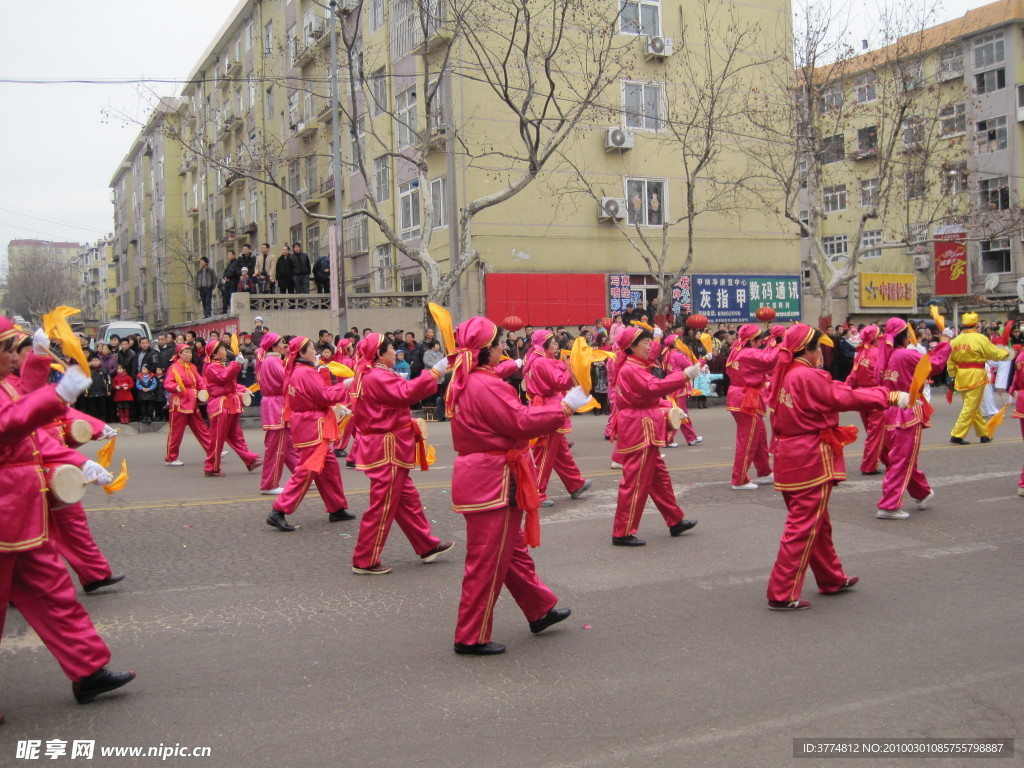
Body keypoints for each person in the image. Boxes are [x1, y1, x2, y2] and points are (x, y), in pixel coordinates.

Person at [0, 318, 135, 710]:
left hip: (22, 511)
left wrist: (41, 360)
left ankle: (87, 671)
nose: (13, 355)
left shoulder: (7, 383)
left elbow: (30, 421)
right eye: (9, 348)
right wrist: (58, 393)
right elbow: (12, 422)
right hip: (10, 509)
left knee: (54, 591)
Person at [445, 317, 582, 655]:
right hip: (493, 479)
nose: (503, 348)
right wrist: (564, 407)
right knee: (487, 560)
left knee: (512, 552)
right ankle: (470, 635)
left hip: (484, 476)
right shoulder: (485, 385)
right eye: (498, 344)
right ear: (487, 351)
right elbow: (519, 423)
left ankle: (539, 610)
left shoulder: (472, 380)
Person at [765, 324, 902, 610]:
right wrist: (886, 396)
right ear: (809, 349)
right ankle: (781, 592)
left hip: (788, 454)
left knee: (817, 523)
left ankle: (831, 578)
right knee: (802, 526)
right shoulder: (806, 374)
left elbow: (834, 390)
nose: (822, 353)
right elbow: (841, 397)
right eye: (819, 348)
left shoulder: (786, 374)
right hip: (809, 456)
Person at [13, 329, 124, 595]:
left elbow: (63, 410)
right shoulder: (8, 389)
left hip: (50, 462)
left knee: (72, 520)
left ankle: (94, 573)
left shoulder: (20, 385)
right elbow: (30, 432)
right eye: (24, 351)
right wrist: (80, 461)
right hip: (24, 471)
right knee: (23, 537)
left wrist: (97, 428)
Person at [348, 333, 453, 574]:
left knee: (407, 500)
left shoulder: (368, 373)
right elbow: (406, 392)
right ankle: (364, 559)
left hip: (386, 445)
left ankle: (426, 545)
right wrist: (434, 373)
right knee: (382, 505)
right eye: (391, 348)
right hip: (388, 447)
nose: (395, 351)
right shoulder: (376, 375)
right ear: (379, 354)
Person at [609, 327, 699, 546]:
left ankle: (675, 520)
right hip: (639, 428)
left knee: (659, 479)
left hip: (643, 427)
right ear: (632, 346)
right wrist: (684, 375)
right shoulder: (631, 369)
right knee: (635, 481)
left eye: (650, 341)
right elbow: (652, 388)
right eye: (646, 342)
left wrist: (668, 405)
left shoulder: (635, 366)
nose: (650, 346)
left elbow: (646, 396)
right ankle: (622, 531)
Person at [266, 336, 353, 531]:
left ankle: (336, 507)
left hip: (310, 424)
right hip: (313, 426)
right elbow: (324, 396)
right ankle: (279, 510)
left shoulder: (298, 372)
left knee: (329, 467)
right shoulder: (305, 373)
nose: (316, 352)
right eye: (312, 349)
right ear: (302, 353)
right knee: (306, 470)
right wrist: (345, 385)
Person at [875, 318, 941, 520]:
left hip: (889, 411)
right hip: (907, 411)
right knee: (902, 460)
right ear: (904, 336)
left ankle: (921, 492)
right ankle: (889, 505)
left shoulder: (884, 355)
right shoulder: (905, 354)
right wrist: (945, 342)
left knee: (901, 458)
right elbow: (934, 365)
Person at [523, 329, 591, 507]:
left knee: (560, 450)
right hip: (548, 408)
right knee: (544, 453)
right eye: (552, 342)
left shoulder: (536, 359)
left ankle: (575, 483)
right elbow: (560, 381)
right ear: (545, 344)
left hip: (546, 406)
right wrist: (576, 367)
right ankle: (537, 492)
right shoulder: (542, 362)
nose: (556, 344)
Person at [726, 324, 778, 490]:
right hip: (746, 397)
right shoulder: (749, 352)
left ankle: (764, 472)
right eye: (758, 340)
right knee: (747, 440)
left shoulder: (737, 350)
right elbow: (770, 360)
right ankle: (739, 479)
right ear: (753, 340)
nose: (760, 343)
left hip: (739, 395)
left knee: (759, 436)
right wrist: (782, 344)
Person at [202, 339, 261, 477]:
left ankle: (249, 459)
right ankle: (211, 467)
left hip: (229, 403)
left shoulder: (221, 364)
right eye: (222, 349)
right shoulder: (212, 367)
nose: (225, 351)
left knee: (236, 435)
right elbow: (224, 378)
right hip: (220, 405)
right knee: (217, 438)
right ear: (215, 353)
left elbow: (230, 384)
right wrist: (236, 364)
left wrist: (244, 389)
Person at [948, 312, 1009, 444]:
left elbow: (950, 362)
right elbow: (994, 353)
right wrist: (1005, 352)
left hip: (961, 374)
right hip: (976, 374)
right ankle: (957, 434)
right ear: (976, 324)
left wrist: (953, 375)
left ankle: (984, 434)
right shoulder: (980, 338)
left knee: (972, 406)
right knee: (970, 407)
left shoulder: (956, 340)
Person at [255, 333, 298, 495]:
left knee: (287, 445)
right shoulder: (273, 361)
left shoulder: (270, 361)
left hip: (276, 404)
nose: (284, 345)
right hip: (277, 406)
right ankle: (269, 484)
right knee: (277, 447)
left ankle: (301, 474)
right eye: (281, 343)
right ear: (273, 347)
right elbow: (287, 380)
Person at [163, 344, 214, 469]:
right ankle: (171, 457)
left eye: (190, 352)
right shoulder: (174, 367)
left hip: (193, 401)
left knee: (201, 427)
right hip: (179, 402)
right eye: (186, 352)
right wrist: (176, 387)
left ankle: (212, 450)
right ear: (179, 354)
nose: (189, 354)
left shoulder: (192, 367)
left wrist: (204, 392)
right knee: (176, 431)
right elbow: (168, 383)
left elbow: (200, 381)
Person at [845, 325, 886, 475]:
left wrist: (846, 390)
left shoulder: (861, 354)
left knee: (874, 432)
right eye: (879, 334)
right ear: (875, 337)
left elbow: (852, 376)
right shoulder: (877, 353)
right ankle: (869, 466)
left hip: (861, 395)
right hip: (875, 395)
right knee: (875, 433)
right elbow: (882, 376)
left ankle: (888, 460)